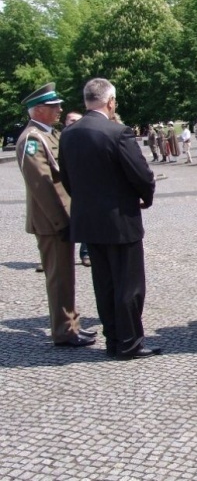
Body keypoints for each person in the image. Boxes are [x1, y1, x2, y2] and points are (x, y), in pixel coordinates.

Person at [59, 77, 160, 359]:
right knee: (129, 285)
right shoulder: (118, 132)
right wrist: (146, 197)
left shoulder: (68, 134)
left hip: (88, 221)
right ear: (111, 101)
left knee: (103, 284)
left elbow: (66, 178)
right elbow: (141, 174)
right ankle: (129, 343)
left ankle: (113, 339)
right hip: (120, 220)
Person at [15, 84, 96, 348]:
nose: (60, 110)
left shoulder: (48, 135)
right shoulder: (32, 139)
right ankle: (63, 331)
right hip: (51, 221)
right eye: (54, 107)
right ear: (39, 110)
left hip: (61, 217)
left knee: (66, 276)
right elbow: (42, 185)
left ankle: (71, 325)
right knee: (59, 277)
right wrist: (61, 221)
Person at [63, 111, 91, 267]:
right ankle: (53, 256)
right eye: (72, 120)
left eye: (78, 120)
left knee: (86, 220)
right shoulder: (58, 138)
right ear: (65, 121)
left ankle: (85, 254)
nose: (75, 123)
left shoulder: (85, 139)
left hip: (83, 188)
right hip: (63, 186)